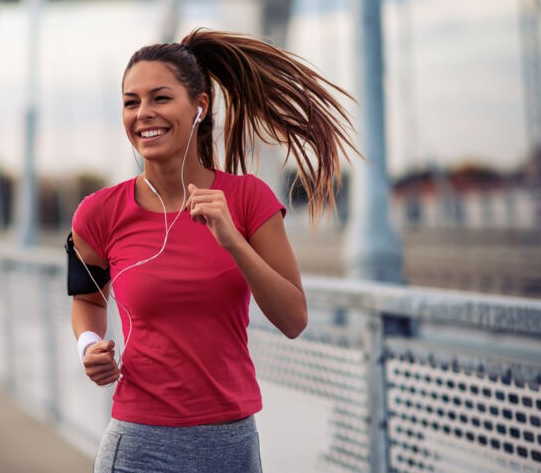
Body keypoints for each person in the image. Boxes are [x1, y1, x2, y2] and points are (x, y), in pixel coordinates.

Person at [67, 28, 356, 472]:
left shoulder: (248, 199)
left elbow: (294, 320)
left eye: (160, 98)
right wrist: (89, 345)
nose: (143, 114)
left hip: (230, 445)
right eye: (131, 102)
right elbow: (87, 299)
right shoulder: (97, 213)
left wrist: (232, 241)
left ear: (199, 107)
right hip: (138, 447)